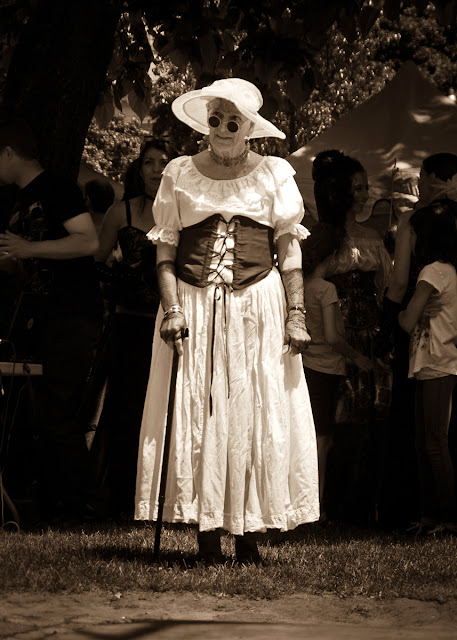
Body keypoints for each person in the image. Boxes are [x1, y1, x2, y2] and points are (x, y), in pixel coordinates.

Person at [135, 78, 319, 564]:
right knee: (201, 410)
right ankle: (207, 534)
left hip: (257, 303)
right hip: (195, 304)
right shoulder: (179, 172)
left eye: (231, 121)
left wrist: (296, 315)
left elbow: (289, 246)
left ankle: (251, 536)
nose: (221, 128)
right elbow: (166, 248)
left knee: (254, 409)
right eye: (214, 119)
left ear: (249, 128)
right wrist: (172, 309)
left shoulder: (275, 173)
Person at [0, 117, 102, 527]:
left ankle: (81, 511)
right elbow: (29, 258)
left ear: (8, 153)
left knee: (59, 412)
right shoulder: (16, 199)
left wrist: (28, 246)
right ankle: (46, 505)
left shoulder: (57, 188)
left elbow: (88, 240)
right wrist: (13, 259)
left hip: (71, 316)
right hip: (37, 317)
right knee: (37, 413)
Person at [376, 152, 457, 527]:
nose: (419, 186)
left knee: (423, 428)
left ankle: (425, 510)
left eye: (423, 178)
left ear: (433, 178)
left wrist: (389, 327)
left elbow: (398, 282)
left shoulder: (413, 222)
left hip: (425, 332)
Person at [312, 149, 392, 525]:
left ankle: (357, 507)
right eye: (355, 187)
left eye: (365, 187)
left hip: (368, 337)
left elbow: (385, 287)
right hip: (334, 336)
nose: (362, 194)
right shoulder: (328, 235)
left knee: (363, 424)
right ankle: (327, 504)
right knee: (332, 423)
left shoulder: (374, 237)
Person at [88, 140, 167, 520]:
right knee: (124, 411)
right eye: (148, 162)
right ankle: (119, 500)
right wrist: (119, 280)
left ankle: (159, 500)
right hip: (127, 325)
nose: (155, 169)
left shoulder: (178, 214)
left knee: (162, 412)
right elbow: (95, 262)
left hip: (165, 327)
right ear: (138, 168)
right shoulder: (120, 213)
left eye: (162, 163)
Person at [301, 223, 373, 520]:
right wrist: (358, 358)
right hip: (327, 368)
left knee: (307, 436)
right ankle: (315, 505)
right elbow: (332, 336)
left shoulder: (299, 285)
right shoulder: (326, 289)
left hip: (305, 365)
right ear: (330, 257)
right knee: (322, 440)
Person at [398, 200, 457, 535]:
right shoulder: (450, 270)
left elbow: (407, 320)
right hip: (435, 363)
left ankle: (444, 519)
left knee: (433, 444)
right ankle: (430, 517)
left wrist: (402, 313)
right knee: (427, 443)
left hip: (436, 362)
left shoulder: (433, 271)